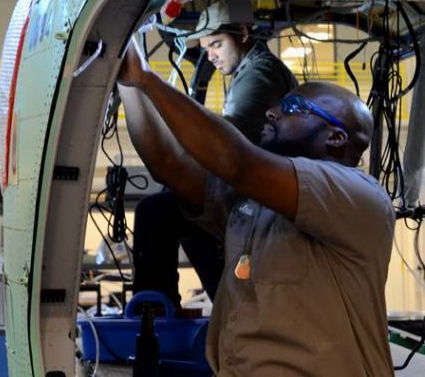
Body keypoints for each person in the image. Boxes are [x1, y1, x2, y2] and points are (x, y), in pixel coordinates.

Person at [117, 38, 395, 376]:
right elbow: (168, 164)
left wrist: (148, 78)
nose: (271, 111)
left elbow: (236, 162)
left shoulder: (359, 196)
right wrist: (129, 79)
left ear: (335, 138)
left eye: (292, 108)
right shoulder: (258, 208)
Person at [128, 1, 297, 307]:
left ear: (243, 33)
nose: (211, 55)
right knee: (171, 203)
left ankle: (154, 313)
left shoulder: (260, 74)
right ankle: (196, 303)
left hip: (256, 198)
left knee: (158, 211)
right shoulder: (251, 72)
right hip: (254, 194)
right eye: (207, 47)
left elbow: (225, 147)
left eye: (217, 44)